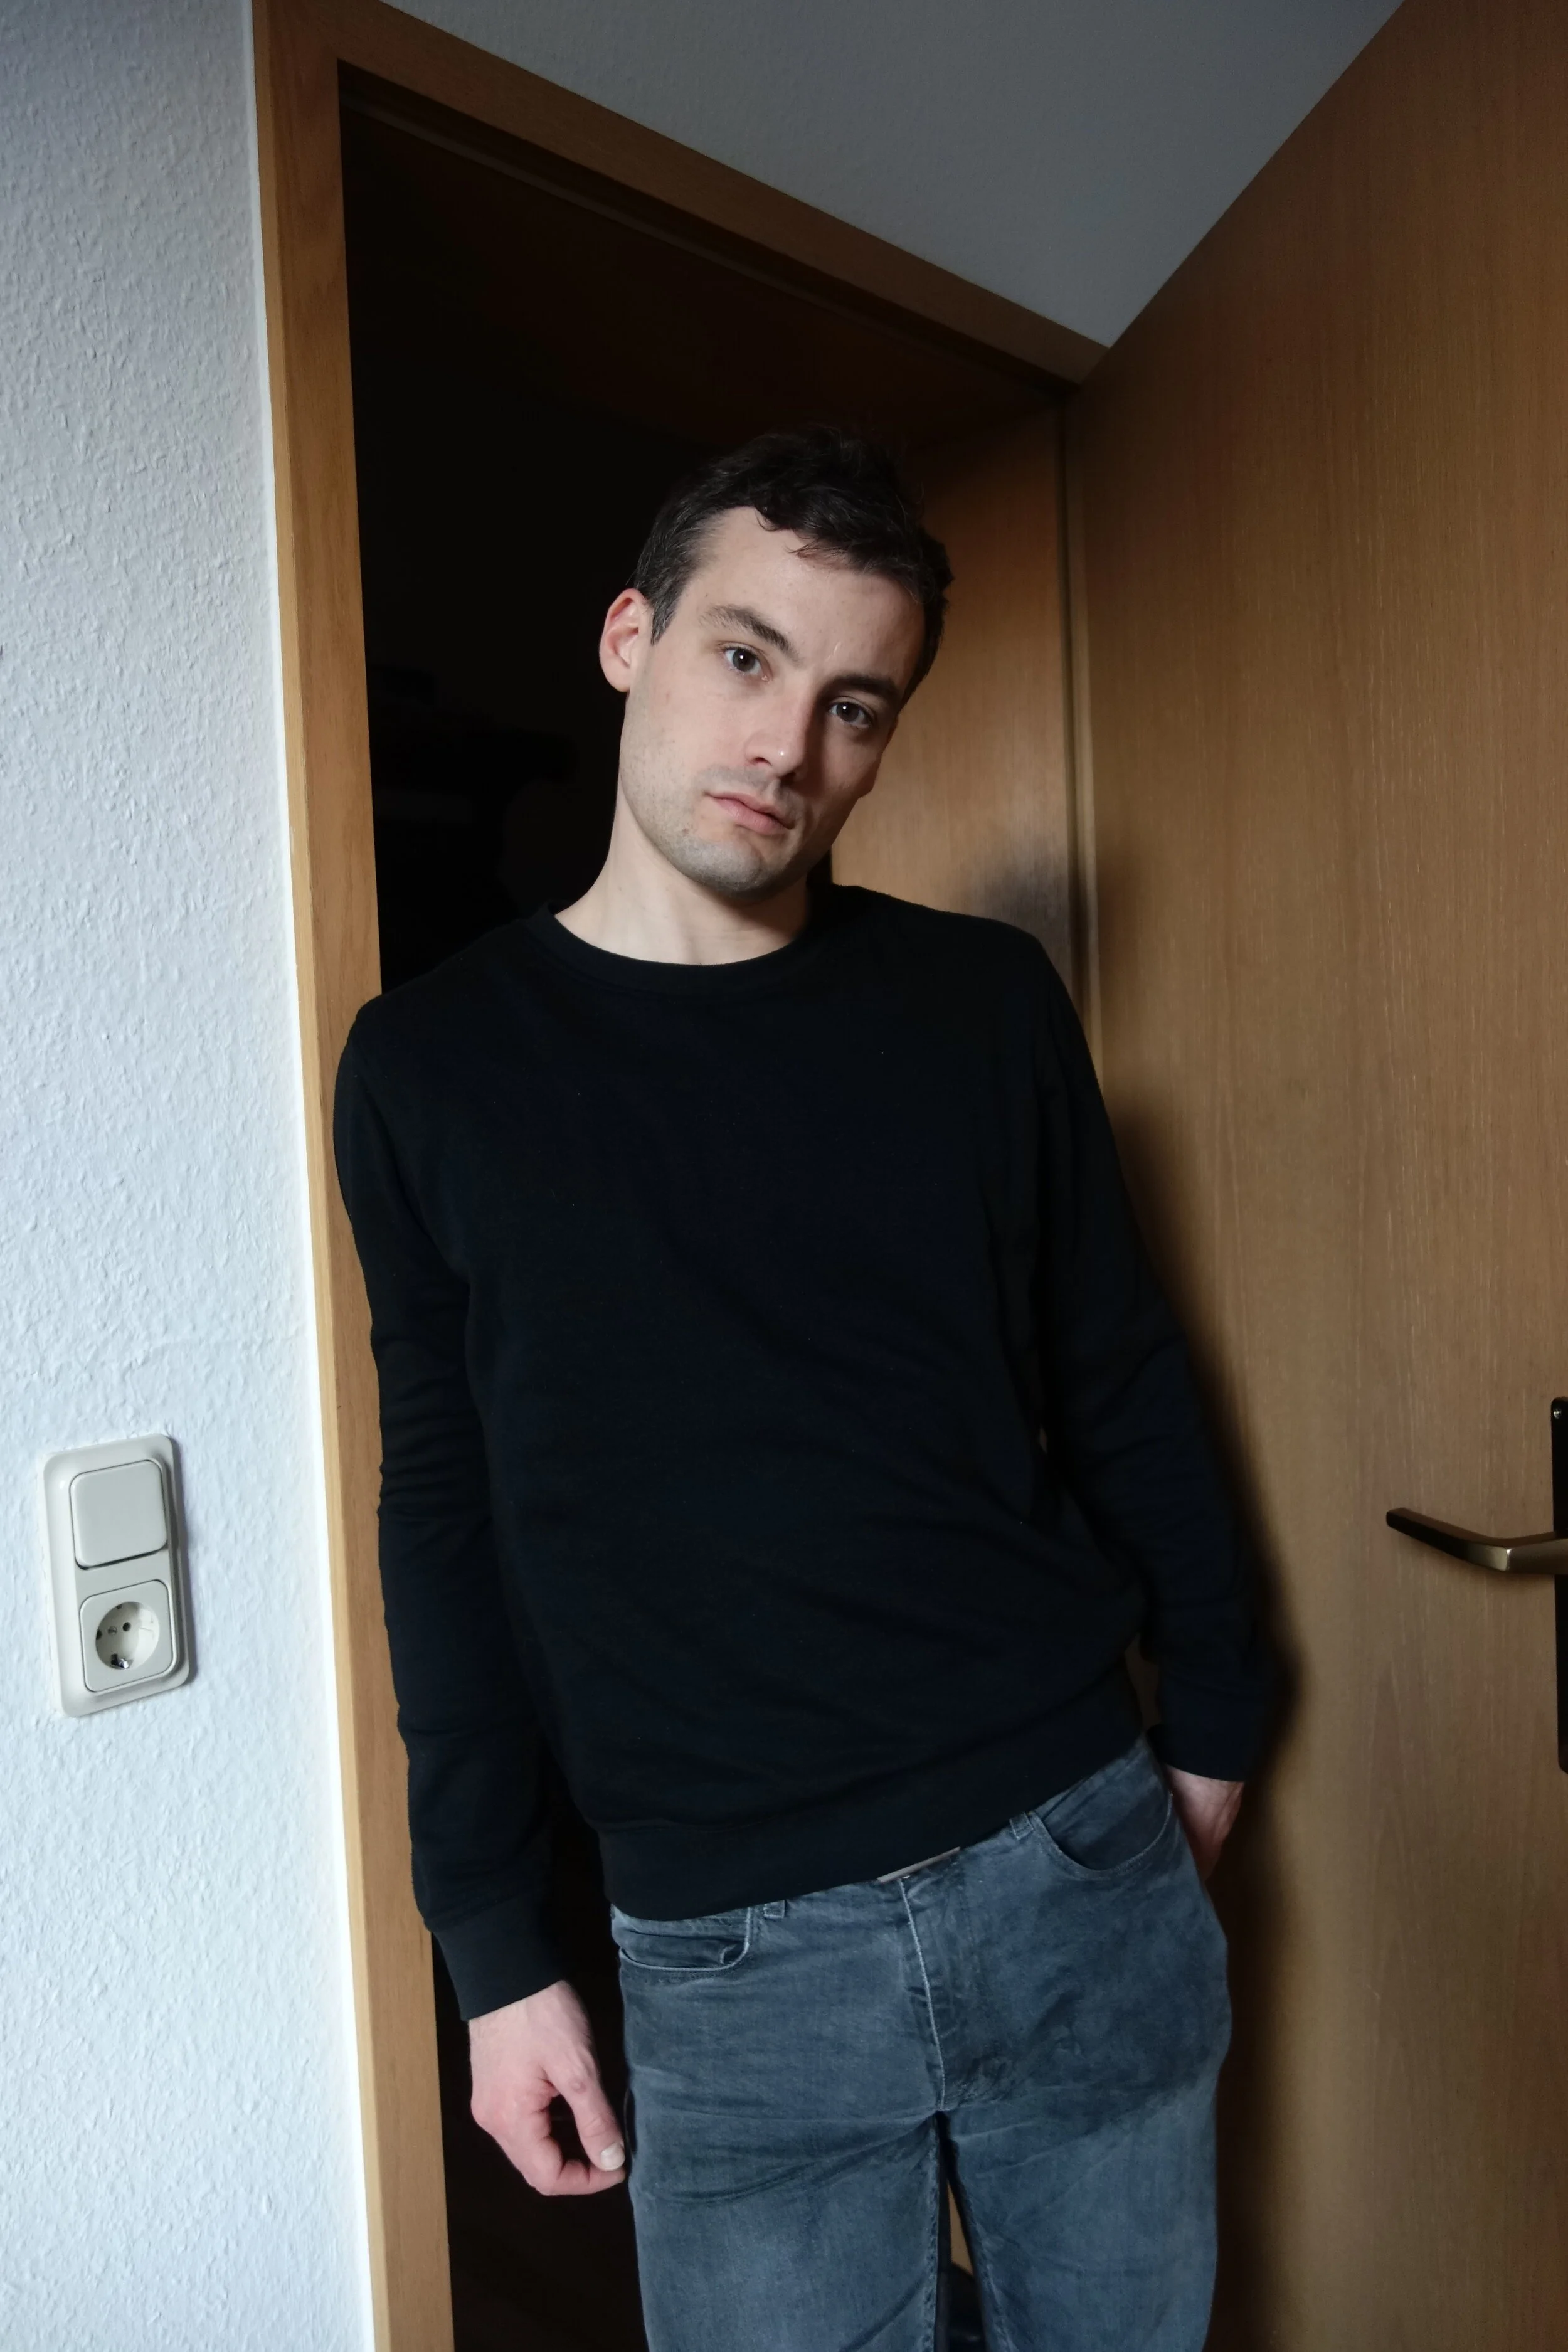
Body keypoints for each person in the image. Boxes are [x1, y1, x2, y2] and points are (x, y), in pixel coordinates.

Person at [332, 426, 1274, 2351]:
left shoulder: (982, 1002)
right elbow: (444, 1509)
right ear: (630, 637)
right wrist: (492, 1946)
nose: (786, 744)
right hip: (730, 1949)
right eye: (744, 656)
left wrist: (1220, 1721)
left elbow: (1116, 1370)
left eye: (856, 704)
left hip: (1068, 1849)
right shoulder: (433, 1067)